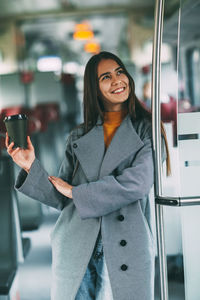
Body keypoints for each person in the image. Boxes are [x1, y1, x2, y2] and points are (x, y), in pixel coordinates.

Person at [6, 51, 170, 300]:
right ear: (95, 89)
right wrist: (30, 166)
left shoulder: (147, 129)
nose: (117, 80)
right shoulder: (78, 136)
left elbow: (136, 184)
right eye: (106, 77)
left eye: (120, 72)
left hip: (126, 246)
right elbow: (62, 199)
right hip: (77, 245)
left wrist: (76, 191)